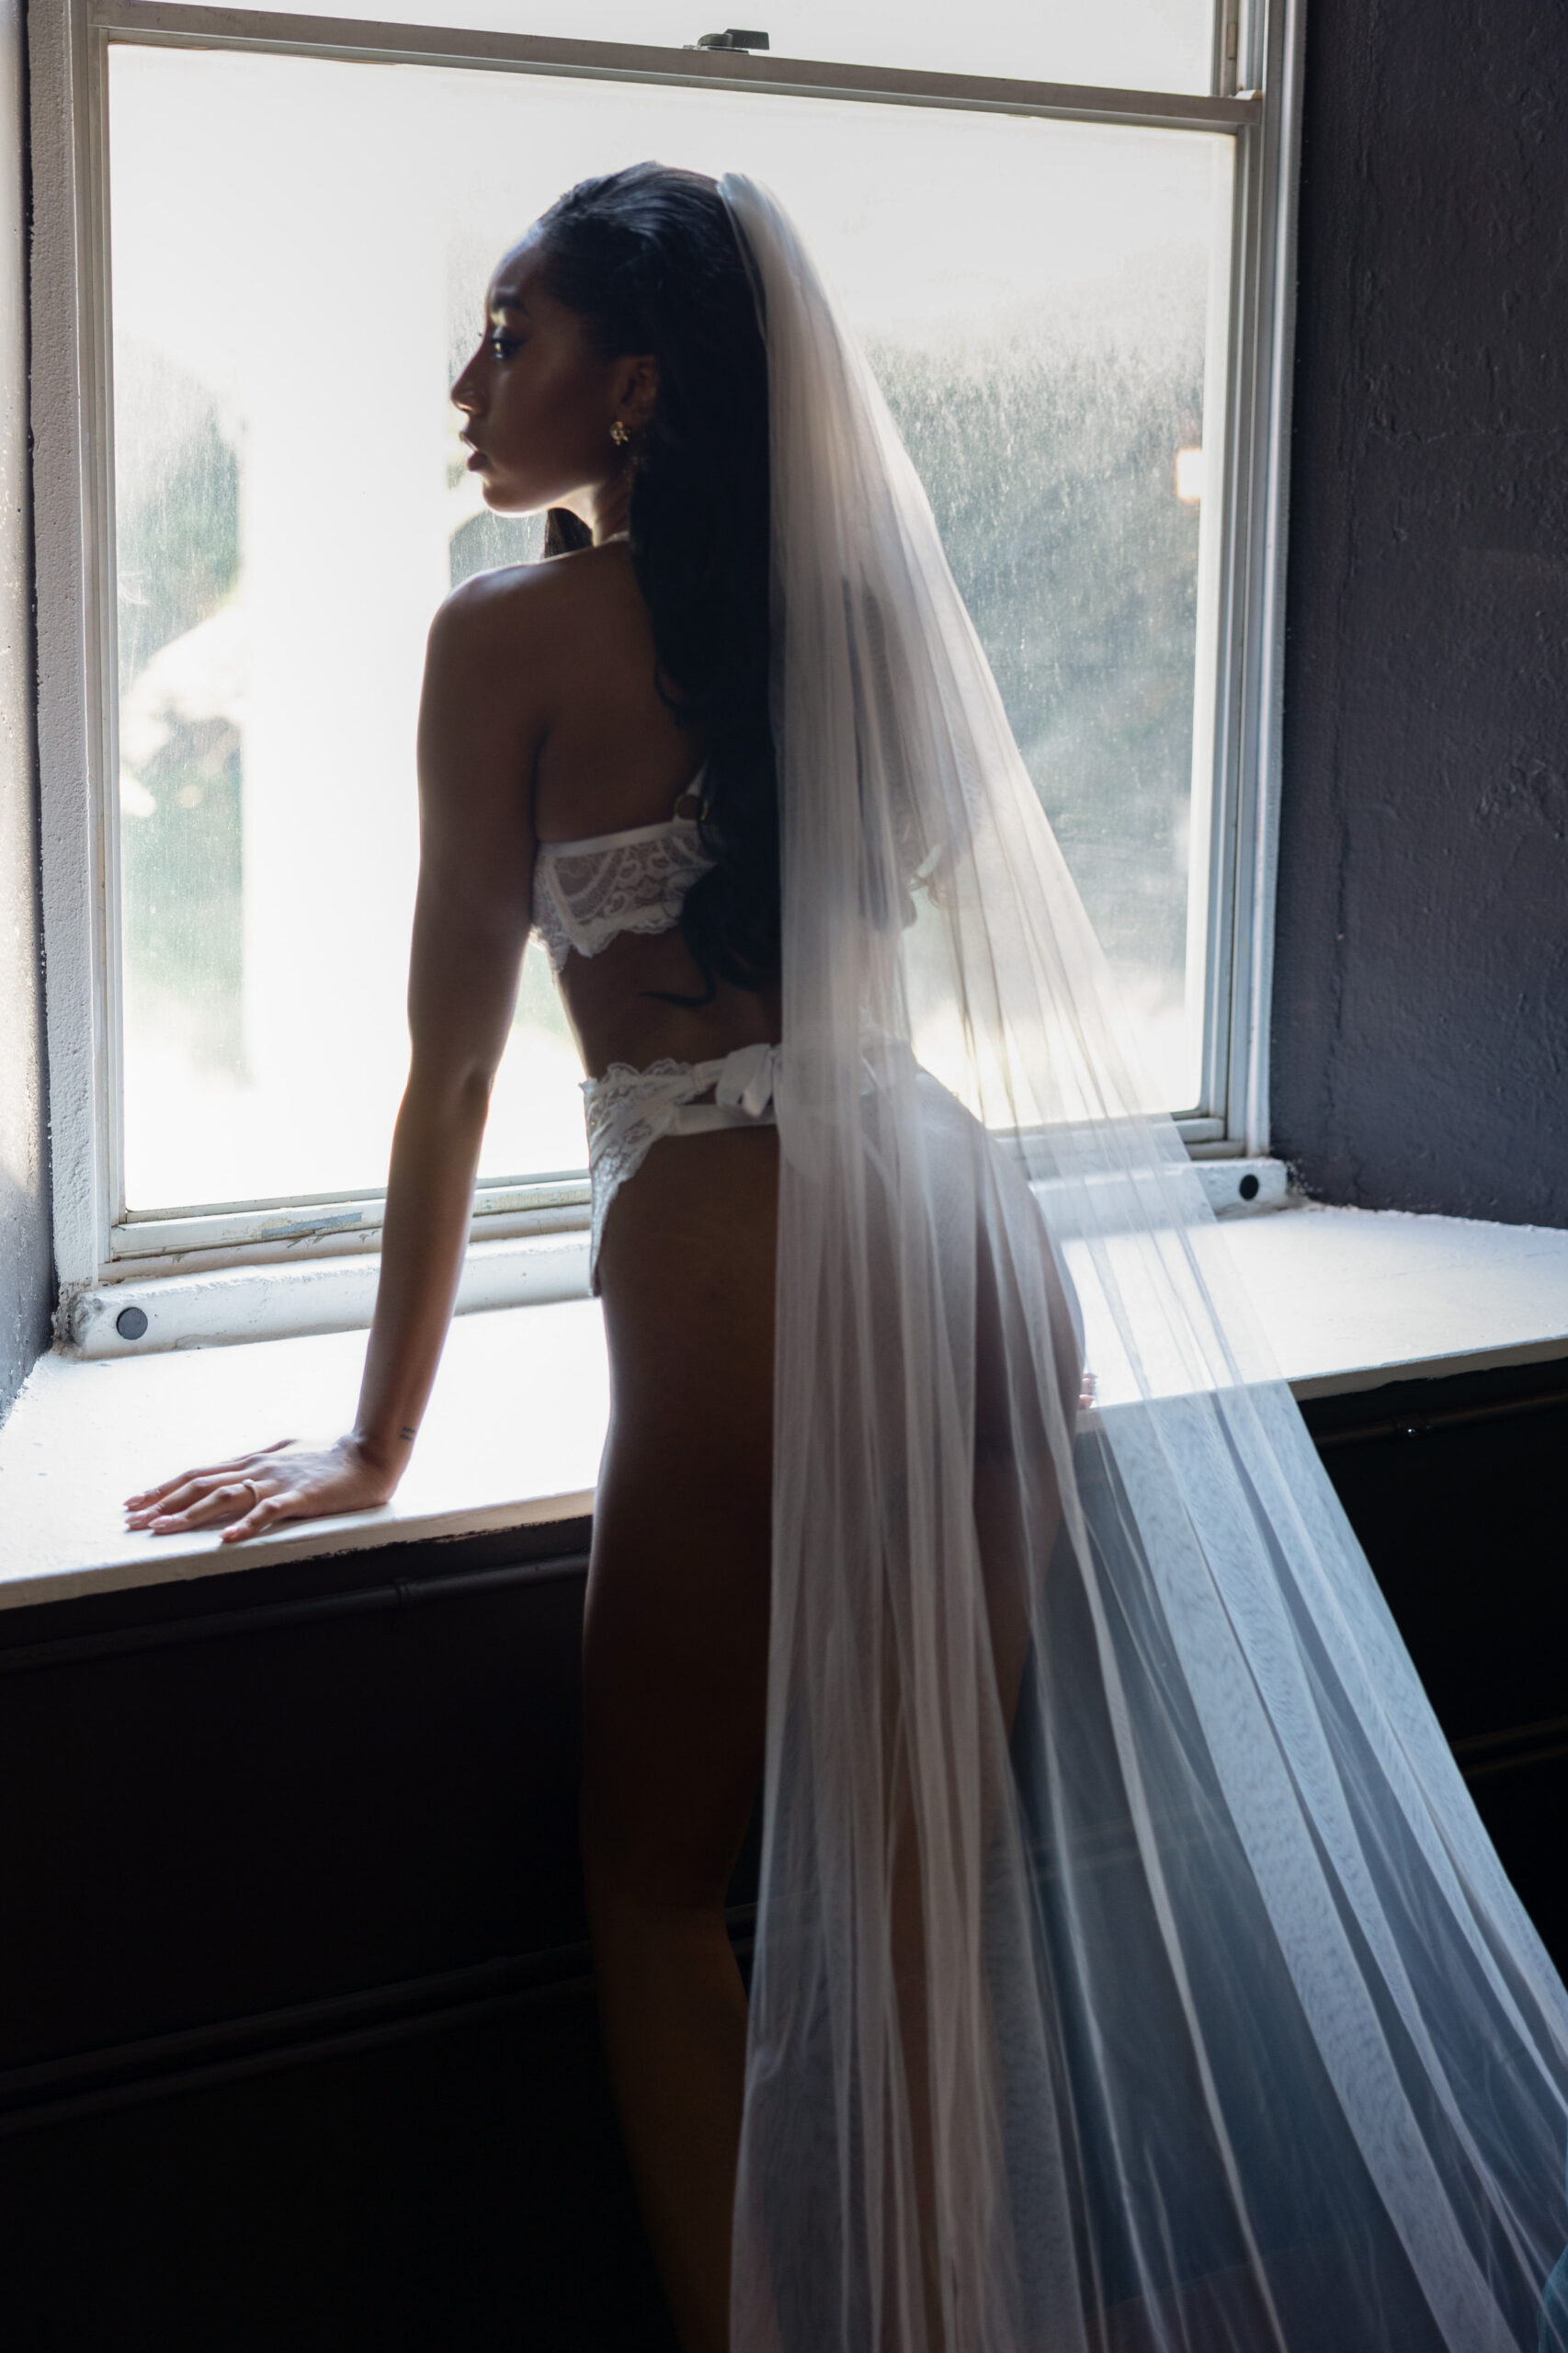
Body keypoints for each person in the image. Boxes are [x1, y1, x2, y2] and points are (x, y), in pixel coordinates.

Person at [128, 167, 1568, 2353]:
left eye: (504, 336)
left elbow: (442, 1075)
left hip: (733, 1259)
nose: (461, 380)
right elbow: (918, 907)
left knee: (649, 1895)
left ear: (632, 386)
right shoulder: (867, 609)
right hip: (967, 1237)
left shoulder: (501, 637)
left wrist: (370, 1430)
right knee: (913, 1929)